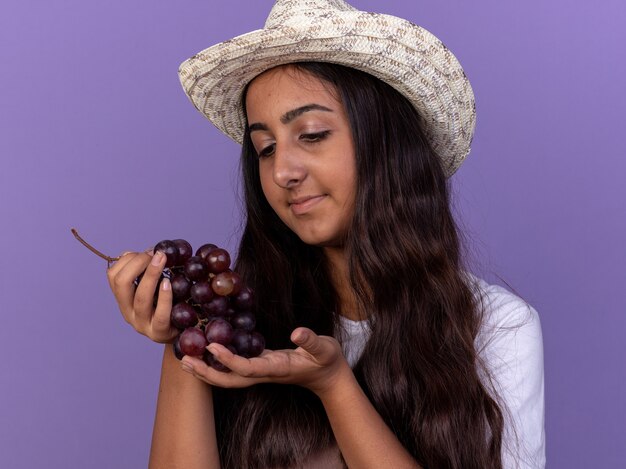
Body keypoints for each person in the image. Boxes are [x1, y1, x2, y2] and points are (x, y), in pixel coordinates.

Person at [107, 1, 545, 468]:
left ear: (386, 144)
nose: (282, 172)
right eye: (265, 148)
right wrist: (187, 330)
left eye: (312, 134)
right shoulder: (243, 320)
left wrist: (334, 385)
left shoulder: (496, 327)